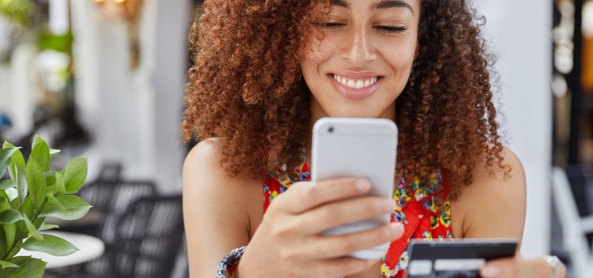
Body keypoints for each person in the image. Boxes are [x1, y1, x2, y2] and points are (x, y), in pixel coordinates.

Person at [182, 0, 565, 277]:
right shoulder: (223, 172)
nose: (358, 54)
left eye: (391, 26)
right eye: (329, 21)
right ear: (284, 29)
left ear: (422, 37)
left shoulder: (484, 179)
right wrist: (250, 273)